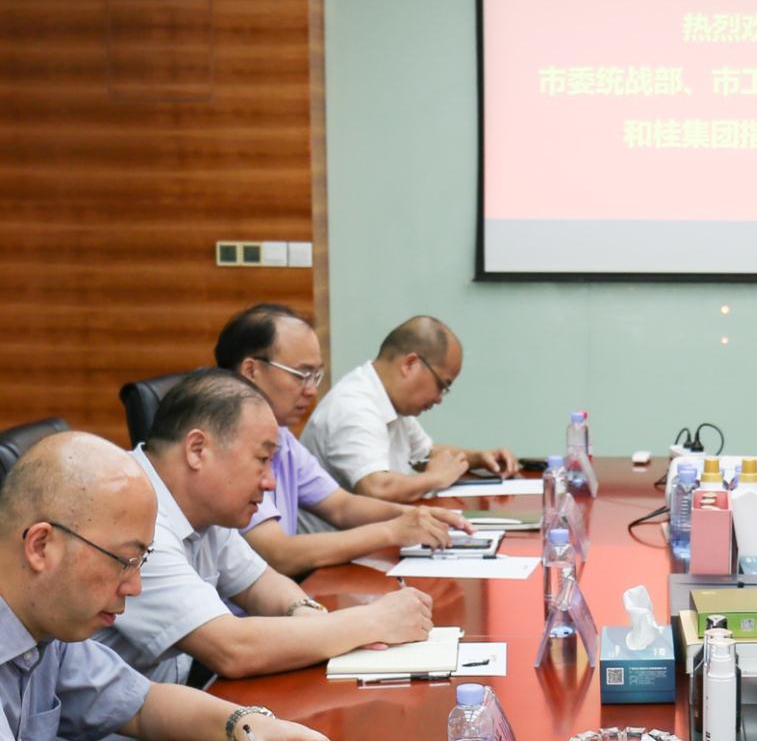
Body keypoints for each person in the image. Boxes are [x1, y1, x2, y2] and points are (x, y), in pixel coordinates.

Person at [94, 369, 434, 684]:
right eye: (262, 460)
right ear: (198, 450)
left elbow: (259, 584)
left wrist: (307, 613)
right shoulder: (130, 513)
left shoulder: (204, 509)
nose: (270, 481)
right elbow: (231, 649)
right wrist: (371, 622)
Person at [0, 430, 325, 740]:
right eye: (124, 560)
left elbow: (142, 705)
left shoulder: (50, 631)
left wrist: (247, 725)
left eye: (141, 562)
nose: (135, 587)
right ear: (41, 547)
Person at [216, 303, 471, 577]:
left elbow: (341, 506)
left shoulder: (283, 437)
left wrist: (415, 517)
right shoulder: (225, 443)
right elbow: (277, 554)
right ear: (251, 370)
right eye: (301, 375)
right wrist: (391, 530)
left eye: (316, 376)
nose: (311, 390)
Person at [299, 315, 517, 507]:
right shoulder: (353, 407)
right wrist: (434, 478)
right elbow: (376, 488)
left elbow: (426, 453)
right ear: (410, 364)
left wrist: (478, 458)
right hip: (343, 542)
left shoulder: (388, 400)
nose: (439, 398)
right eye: (441, 385)